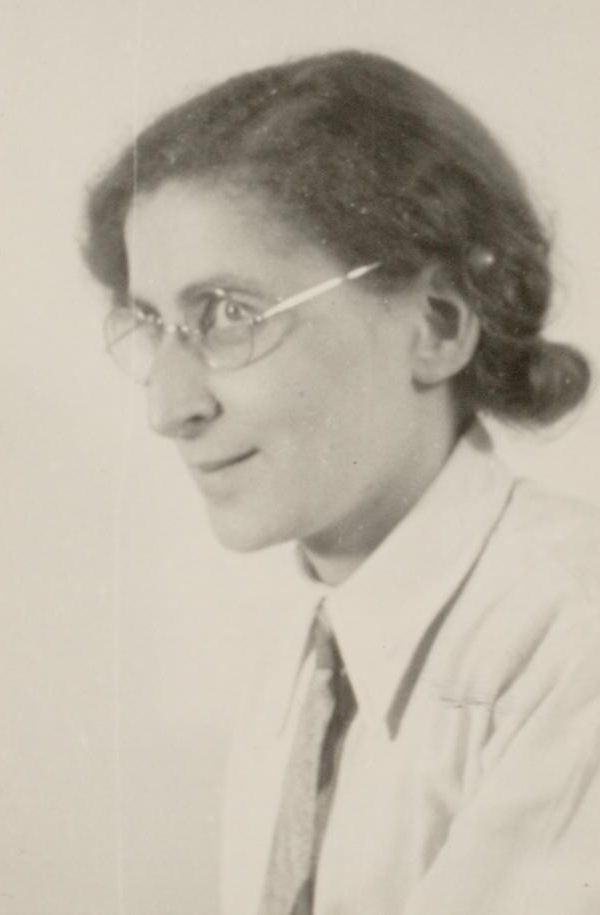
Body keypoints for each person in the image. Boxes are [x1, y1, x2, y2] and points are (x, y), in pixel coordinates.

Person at [83, 49, 600, 915]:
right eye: (151, 322)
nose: (168, 408)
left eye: (229, 315)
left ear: (437, 326)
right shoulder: (304, 642)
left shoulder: (571, 643)